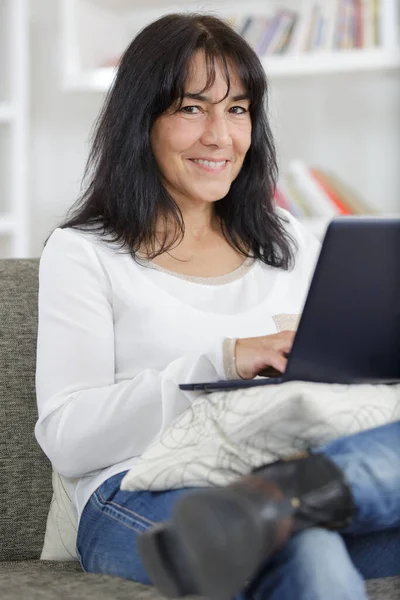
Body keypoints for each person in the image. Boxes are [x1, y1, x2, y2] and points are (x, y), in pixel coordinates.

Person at [34, 12, 399, 600]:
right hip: (140, 489)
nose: (220, 136)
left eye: (237, 109)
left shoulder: (284, 236)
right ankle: (284, 507)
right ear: (141, 121)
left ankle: (289, 498)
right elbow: (68, 437)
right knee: (298, 546)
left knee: (292, 527)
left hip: (281, 465)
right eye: (191, 108)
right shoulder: (85, 253)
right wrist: (224, 359)